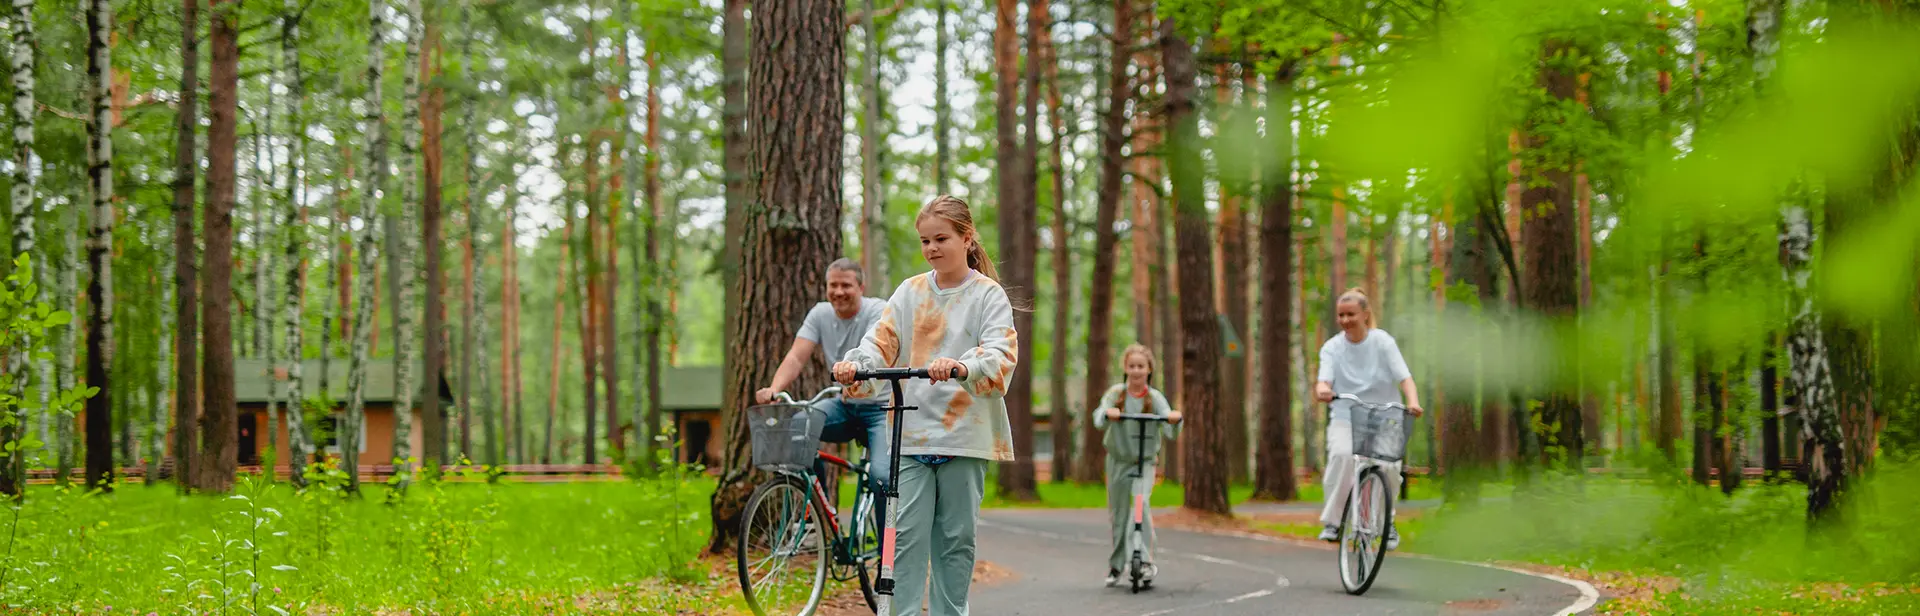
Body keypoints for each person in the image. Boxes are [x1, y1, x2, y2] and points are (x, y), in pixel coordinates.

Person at [834, 195, 1019, 616]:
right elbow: (880, 343)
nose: (932, 248)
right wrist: (855, 366)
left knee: (955, 542)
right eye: (925, 241)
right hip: (912, 436)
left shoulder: (987, 295)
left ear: (966, 238)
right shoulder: (910, 291)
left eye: (941, 238)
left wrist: (961, 365)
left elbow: (1000, 354)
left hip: (964, 435)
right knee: (904, 542)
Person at [756, 259, 891, 488]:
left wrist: (854, 373)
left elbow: (874, 352)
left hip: (881, 409)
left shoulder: (877, 310)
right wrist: (775, 388)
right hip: (845, 405)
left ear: (861, 288)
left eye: (846, 285)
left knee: (881, 477)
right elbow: (796, 356)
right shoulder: (820, 313)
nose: (838, 292)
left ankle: (883, 526)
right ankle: (819, 512)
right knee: (798, 428)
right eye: (833, 285)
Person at [1313, 287, 1423, 551]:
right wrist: (1322, 390)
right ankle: (1335, 521)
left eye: (1351, 314)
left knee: (1390, 469)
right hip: (1346, 415)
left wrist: (1413, 402)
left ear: (1365, 314)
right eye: (1341, 315)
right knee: (1341, 457)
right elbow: (1323, 381)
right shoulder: (1332, 348)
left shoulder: (1382, 342)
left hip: (1384, 415)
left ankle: (1387, 522)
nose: (1345, 320)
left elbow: (1404, 378)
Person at [1091, 344, 1183, 587]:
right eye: (1132, 366)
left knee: (1139, 508)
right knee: (1120, 515)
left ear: (1149, 369)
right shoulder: (1116, 393)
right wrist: (1108, 413)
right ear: (1126, 368)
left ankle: (1143, 561)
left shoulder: (1154, 398)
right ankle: (1117, 564)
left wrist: (1174, 418)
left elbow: (1171, 428)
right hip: (1118, 463)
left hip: (1145, 463)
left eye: (1141, 366)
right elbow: (1098, 417)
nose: (1136, 371)